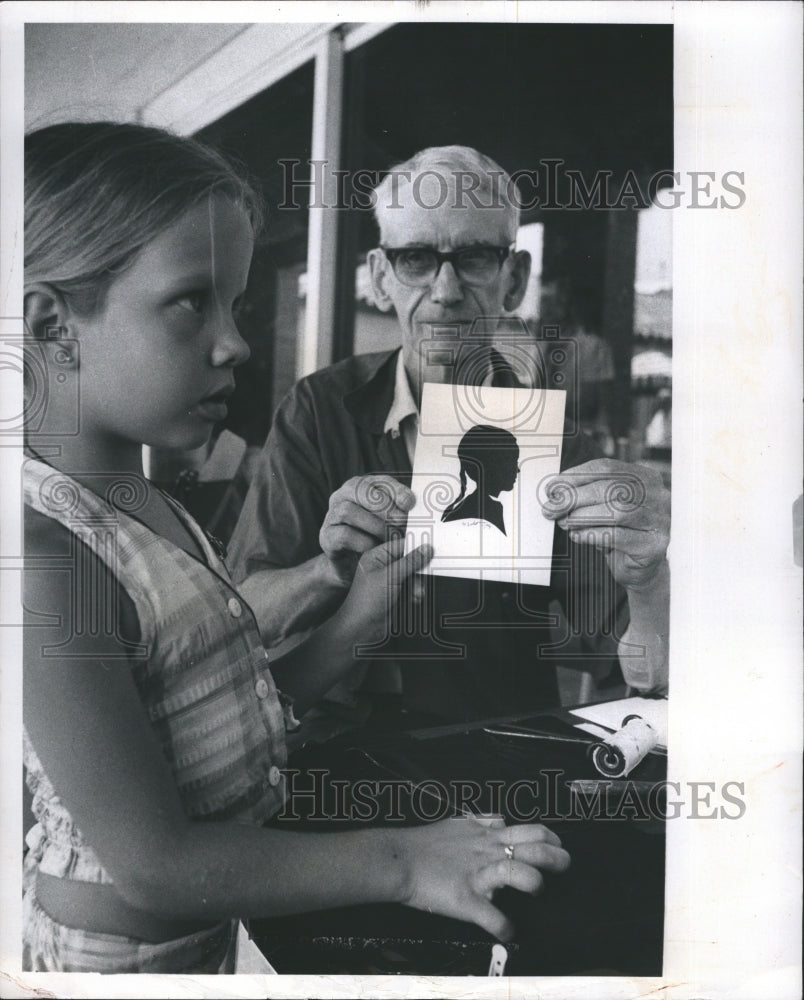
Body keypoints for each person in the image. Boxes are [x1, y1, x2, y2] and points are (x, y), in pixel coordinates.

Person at [20, 123, 571, 974]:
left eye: (235, 305)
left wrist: (357, 619)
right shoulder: (47, 551)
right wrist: (403, 859)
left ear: (515, 277)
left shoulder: (151, 507)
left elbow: (226, 699)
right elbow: (155, 863)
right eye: (191, 301)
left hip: (221, 924)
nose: (238, 342)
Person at [229, 144, 670, 729]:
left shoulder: (550, 442)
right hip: (329, 753)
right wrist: (327, 571)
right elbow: (238, 615)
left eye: (474, 257)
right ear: (382, 277)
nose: (445, 289)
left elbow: (639, 666)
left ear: (513, 279)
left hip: (491, 757)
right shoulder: (319, 410)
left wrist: (648, 582)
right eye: (415, 259)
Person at [440, 424, 520, 536]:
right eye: (512, 462)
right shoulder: (478, 510)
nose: (518, 470)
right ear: (491, 467)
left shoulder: (485, 506)